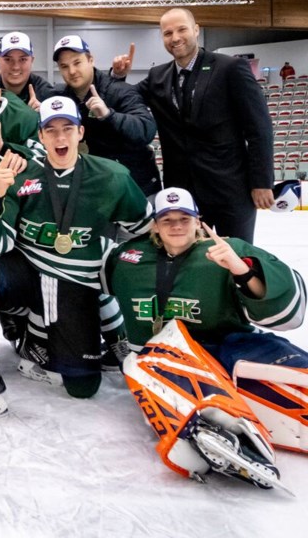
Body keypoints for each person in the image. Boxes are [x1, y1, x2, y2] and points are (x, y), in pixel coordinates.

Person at [0, 96, 152, 424]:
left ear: (80, 132)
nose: (60, 137)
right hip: (29, 278)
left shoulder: (111, 176)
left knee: (83, 386)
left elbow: (146, 233)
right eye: (51, 130)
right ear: (41, 136)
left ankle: (69, 336)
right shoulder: (21, 174)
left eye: (67, 129)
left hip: (76, 283)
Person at [102, 187, 306, 490]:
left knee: (288, 370)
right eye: (166, 219)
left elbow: (289, 310)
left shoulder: (227, 248)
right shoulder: (127, 258)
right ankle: (217, 435)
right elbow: (85, 288)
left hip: (232, 343)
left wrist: (241, 270)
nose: (176, 226)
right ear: (155, 225)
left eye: (184, 218)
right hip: (168, 355)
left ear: (198, 221)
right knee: (159, 371)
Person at [111, 8, 274, 243]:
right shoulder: (157, 75)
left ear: (196, 30)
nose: (175, 37)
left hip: (231, 190)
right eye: (167, 33)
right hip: (184, 194)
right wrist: (118, 78)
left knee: (238, 259)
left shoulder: (230, 68)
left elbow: (259, 128)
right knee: (190, 261)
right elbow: (127, 100)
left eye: (181, 29)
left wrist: (261, 182)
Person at [52, 34, 160, 196]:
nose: (72, 71)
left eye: (77, 62)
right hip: (94, 188)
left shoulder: (119, 91)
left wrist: (109, 115)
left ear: (91, 60)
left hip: (136, 187)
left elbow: (146, 129)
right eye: (64, 66)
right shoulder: (61, 98)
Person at [0, 32, 57, 109]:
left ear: (32, 60)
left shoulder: (45, 94)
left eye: (23, 59)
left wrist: (43, 115)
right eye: (8, 59)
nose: (16, 67)